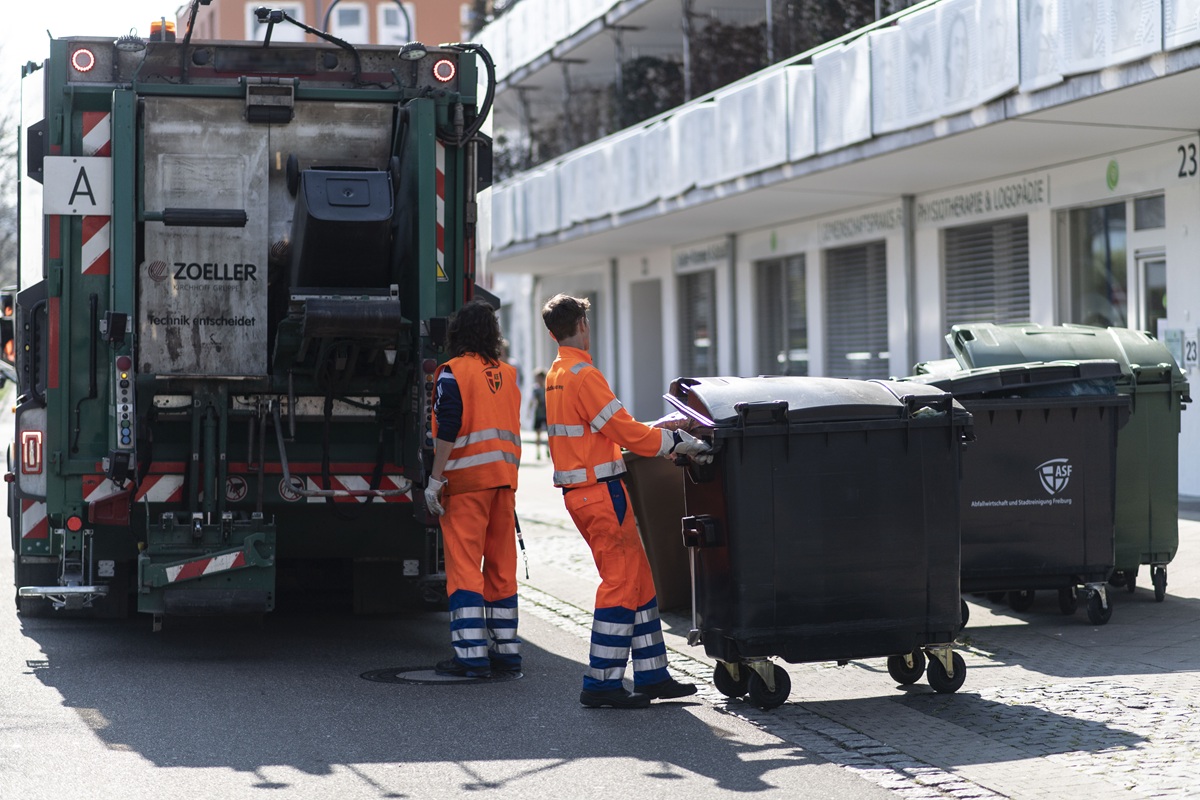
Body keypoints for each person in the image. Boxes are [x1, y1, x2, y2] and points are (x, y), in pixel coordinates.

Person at [540, 293, 713, 709]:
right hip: (601, 495)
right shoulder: (585, 374)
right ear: (582, 325)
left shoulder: (556, 374)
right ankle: (601, 682)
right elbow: (625, 432)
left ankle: (652, 675)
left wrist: (657, 432)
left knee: (638, 581)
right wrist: (678, 440)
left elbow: (608, 431)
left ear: (551, 332)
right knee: (620, 584)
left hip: (583, 492)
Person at [425, 300, 522, 678]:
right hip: (504, 483)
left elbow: (448, 426)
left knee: (465, 569)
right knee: (501, 569)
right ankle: (507, 653)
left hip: (466, 485)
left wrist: (436, 479)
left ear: (457, 334)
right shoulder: (510, 375)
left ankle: (470, 656)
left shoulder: (453, 372)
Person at [528, 369, 548, 459]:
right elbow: (532, 401)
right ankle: (538, 452)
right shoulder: (535, 389)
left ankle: (548, 449)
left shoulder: (547, 387)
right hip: (539, 413)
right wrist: (529, 411)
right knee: (538, 433)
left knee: (549, 433)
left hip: (546, 412)